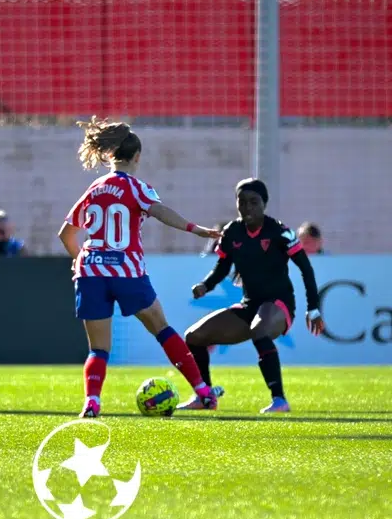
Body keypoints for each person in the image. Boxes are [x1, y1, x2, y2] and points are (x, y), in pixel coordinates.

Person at [56, 117, 223, 418]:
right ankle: (203, 391)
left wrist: (78, 260)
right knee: (162, 329)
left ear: (110, 154)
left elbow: (66, 234)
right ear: (137, 156)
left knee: (98, 348)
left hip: (91, 271)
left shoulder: (94, 188)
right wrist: (195, 229)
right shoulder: (136, 187)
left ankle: (92, 402)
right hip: (126, 270)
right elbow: (159, 212)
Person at [183, 179, 325, 414]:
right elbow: (222, 267)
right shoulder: (232, 231)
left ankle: (279, 400)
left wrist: (314, 307)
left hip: (279, 305)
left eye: (254, 202)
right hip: (249, 306)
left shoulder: (279, 231)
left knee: (260, 330)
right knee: (194, 336)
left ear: (264, 204)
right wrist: (205, 286)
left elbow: (305, 268)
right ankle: (205, 395)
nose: (248, 207)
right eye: (242, 202)